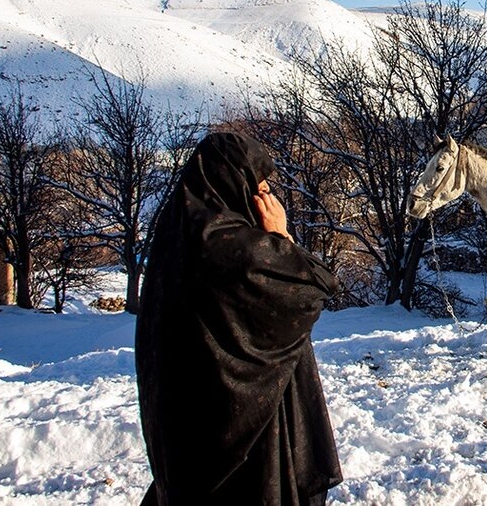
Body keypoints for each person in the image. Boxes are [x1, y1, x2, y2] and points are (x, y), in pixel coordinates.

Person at [135, 132, 342, 505]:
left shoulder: (177, 231)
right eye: (258, 183)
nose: (265, 195)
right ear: (235, 180)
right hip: (244, 432)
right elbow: (312, 287)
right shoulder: (228, 243)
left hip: (190, 426)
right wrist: (281, 236)